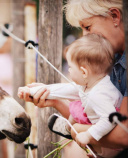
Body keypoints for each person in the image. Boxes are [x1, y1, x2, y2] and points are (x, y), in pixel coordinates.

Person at [18, 0, 128, 157]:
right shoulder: (113, 59)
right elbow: (93, 107)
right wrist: (54, 100)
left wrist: (76, 130)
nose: (85, 36)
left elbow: (123, 135)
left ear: (114, 16)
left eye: (87, 27)